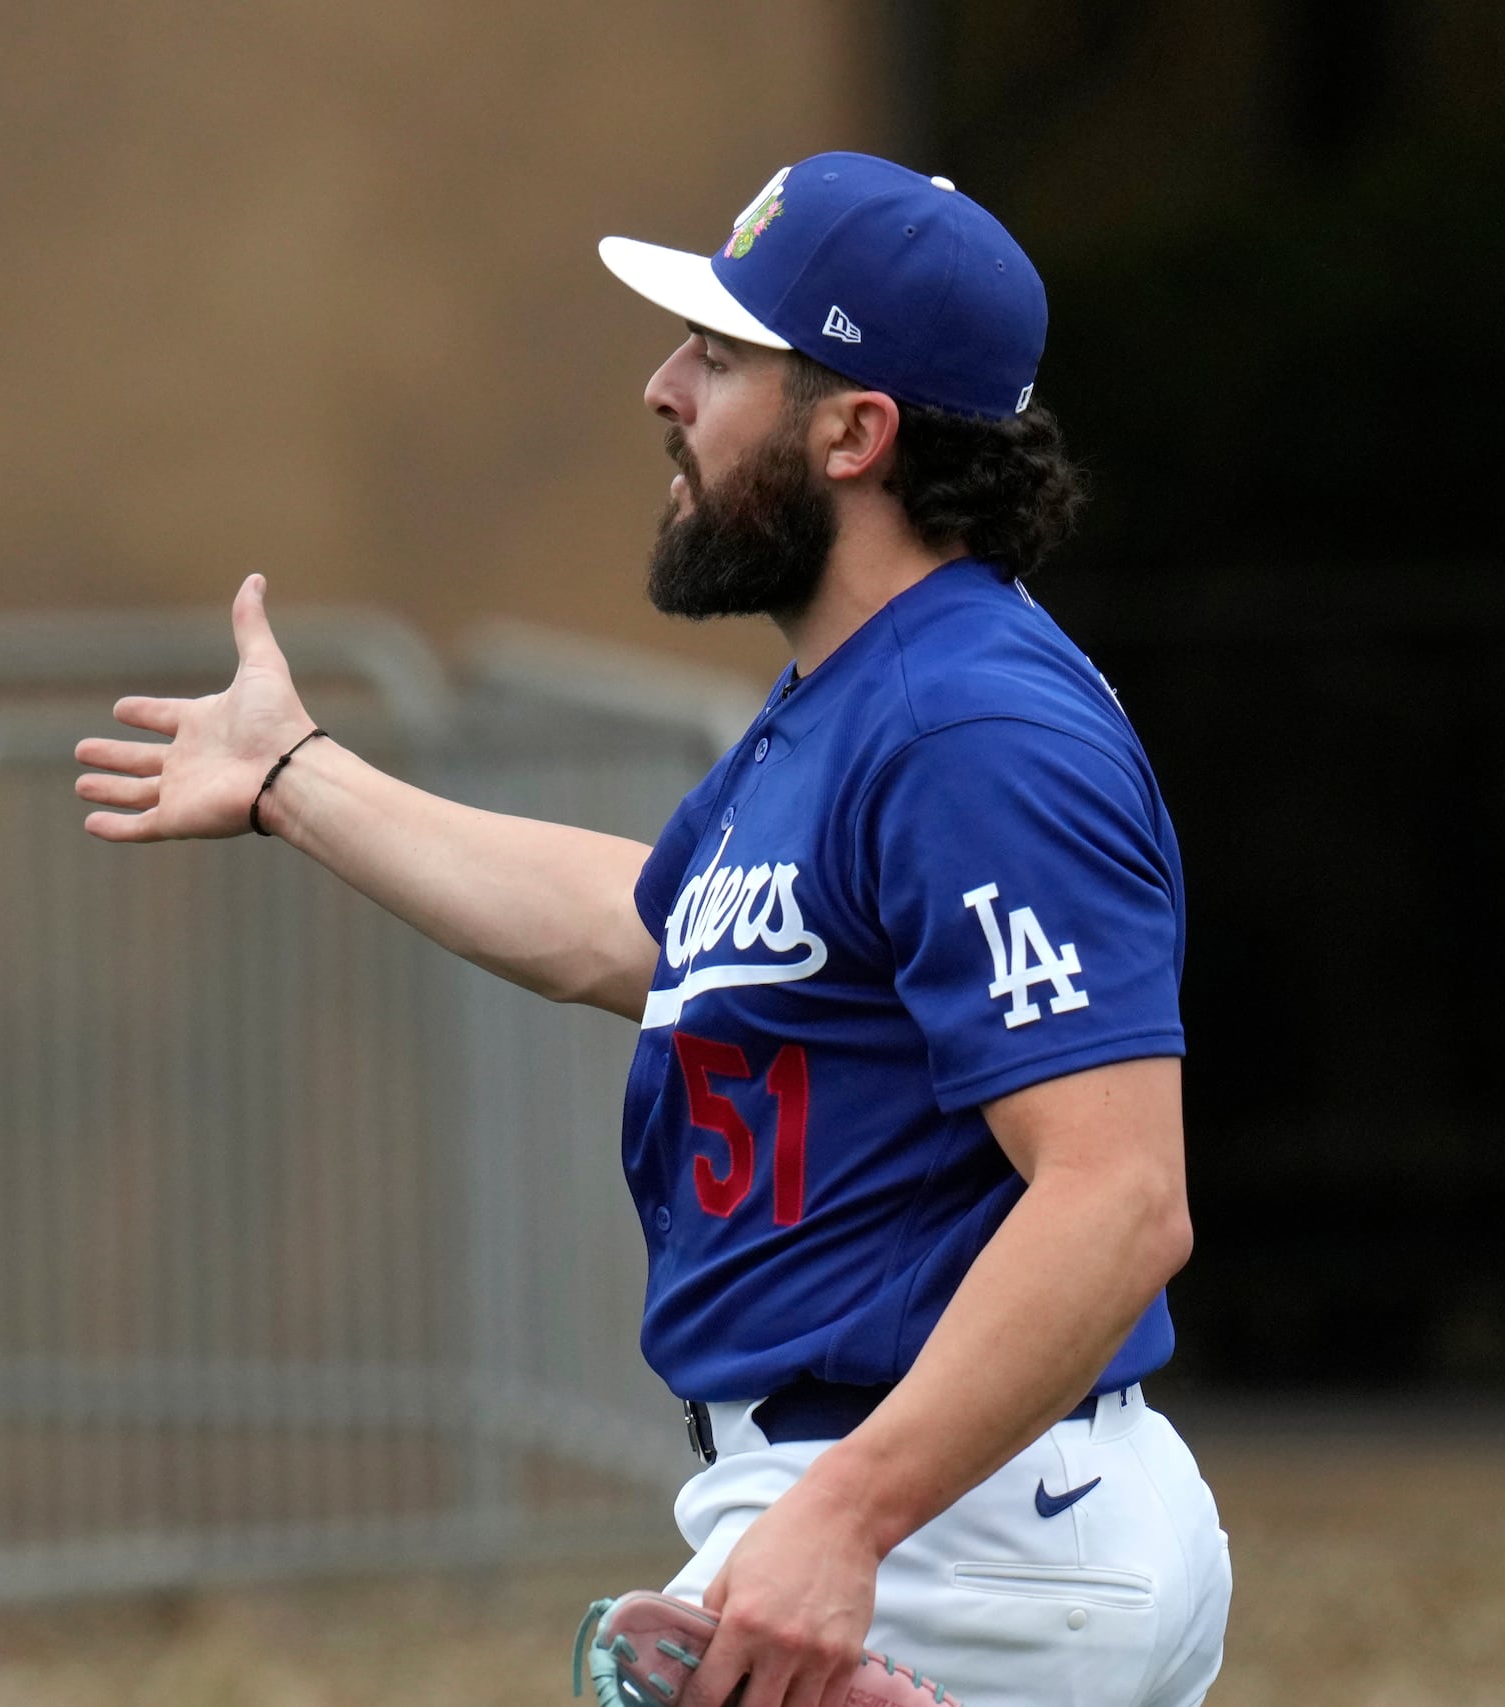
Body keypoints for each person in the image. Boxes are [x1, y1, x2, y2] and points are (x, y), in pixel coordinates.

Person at [75, 153, 1230, 1707]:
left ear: (856, 430)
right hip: (962, 1514)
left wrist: (845, 1521)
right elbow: (645, 931)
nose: (662, 386)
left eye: (722, 353)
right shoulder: (866, 693)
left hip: (952, 1533)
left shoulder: (967, 724)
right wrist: (297, 778)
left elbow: (1118, 1195)